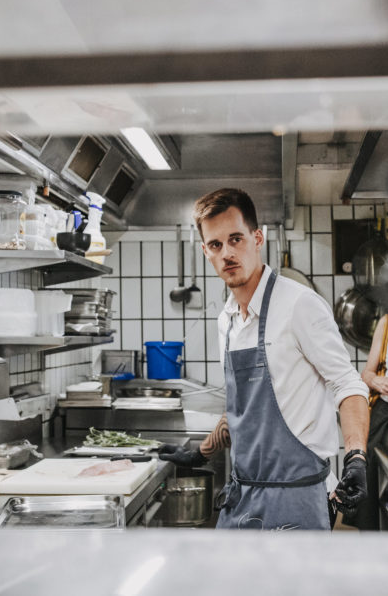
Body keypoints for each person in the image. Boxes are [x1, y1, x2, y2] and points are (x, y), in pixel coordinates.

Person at [158, 188, 370, 530]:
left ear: (258, 238)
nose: (227, 253)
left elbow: (348, 384)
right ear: (205, 252)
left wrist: (356, 457)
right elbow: (241, 409)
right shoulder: (225, 319)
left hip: (298, 498)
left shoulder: (299, 305)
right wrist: (202, 452)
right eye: (215, 245)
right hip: (242, 495)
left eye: (236, 239)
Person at [343, 312, 388, 530]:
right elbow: (367, 374)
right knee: (368, 467)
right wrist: (378, 381)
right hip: (385, 412)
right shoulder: (387, 322)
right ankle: (368, 532)